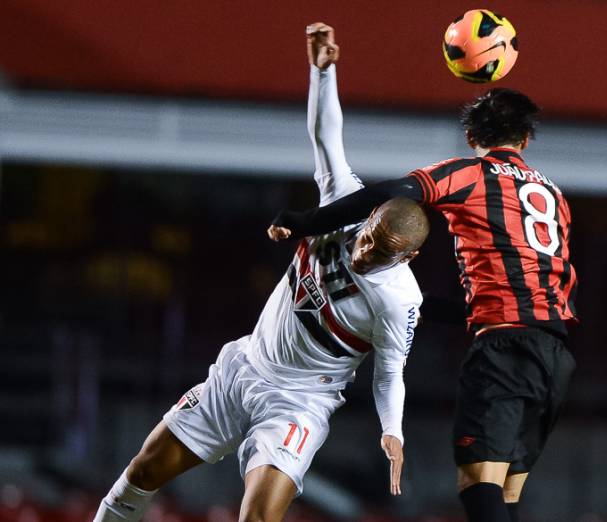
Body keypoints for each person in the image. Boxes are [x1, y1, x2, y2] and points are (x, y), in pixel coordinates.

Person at [93, 23, 429, 522]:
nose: (363, 252)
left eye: (381, 253)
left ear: (406, 259)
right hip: (240, 370)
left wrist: (392, 430)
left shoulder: (400, 300)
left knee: (256, 517)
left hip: (298, 403)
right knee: (141, 473)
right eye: (367, 238)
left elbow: (389, 372)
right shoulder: (343, 205)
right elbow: (326, 137)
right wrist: (323, 72)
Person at [271, 81, 579, 521]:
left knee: (479, 488)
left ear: (473, 138)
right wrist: (430, 307)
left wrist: (307, 221)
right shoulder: (554, 196)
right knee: (505, 496)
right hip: (554, 355)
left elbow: (390, 194)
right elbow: (531, 287)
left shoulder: (471, 174)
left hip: (504, 349)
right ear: (525, 139)